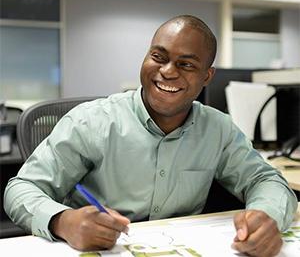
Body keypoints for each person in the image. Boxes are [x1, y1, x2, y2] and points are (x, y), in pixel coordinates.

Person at [4, 15, 297, 256]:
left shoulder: (218, 129)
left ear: (207, 76)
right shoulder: (91, 120)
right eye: (158, 56)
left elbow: (266, 180)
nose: (167, 71)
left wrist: (265, 215)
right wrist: (62, 221)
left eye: (186, 64)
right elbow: (21, 188)